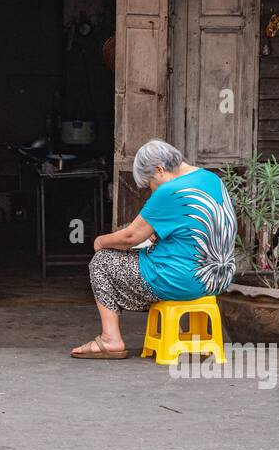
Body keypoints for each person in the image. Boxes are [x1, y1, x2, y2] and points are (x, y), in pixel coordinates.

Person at [71, 139, 237, 359]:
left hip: (183, 280)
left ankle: (110, 339)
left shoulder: (170, 190)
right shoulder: (211, 179)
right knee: (140, 252)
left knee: (102, 261)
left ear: (159, 168)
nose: (151, 190)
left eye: (150, 182)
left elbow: (130, 237)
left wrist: (100, 242)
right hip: (217, 280)